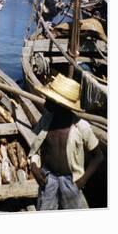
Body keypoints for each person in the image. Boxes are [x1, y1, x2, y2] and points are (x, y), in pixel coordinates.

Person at [28, 73, 104, 210]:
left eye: (50, 100)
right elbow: (36, 149)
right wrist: (34, 166)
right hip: (48, 178)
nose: (45, 102)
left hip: (71, 180)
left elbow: (99, 156)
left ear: (60, 105)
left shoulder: (81, 127)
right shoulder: (46, 121)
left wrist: (82, 180)